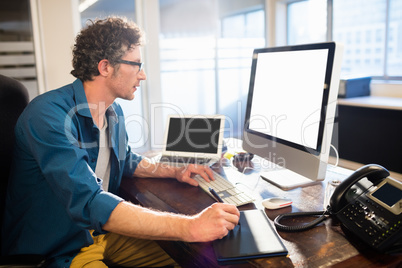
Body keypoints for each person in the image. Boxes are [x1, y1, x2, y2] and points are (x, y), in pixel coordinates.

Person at [1, 17, 240, 267]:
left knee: (202, 257)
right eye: (136, 64)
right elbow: (90, 201)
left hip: (101, 233)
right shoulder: (48, 115)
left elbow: (125, 160)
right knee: (189, 237)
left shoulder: (112, 112)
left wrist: (175, 171)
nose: (143, 75)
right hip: (60, 249)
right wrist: (191, 226)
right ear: (105, 67)